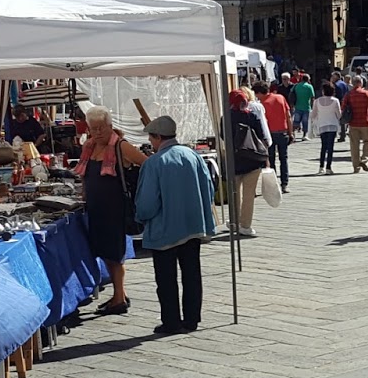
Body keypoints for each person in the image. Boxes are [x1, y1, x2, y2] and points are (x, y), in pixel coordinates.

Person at [133, 116, 216, 335]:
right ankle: (191, 318)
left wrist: (141, 217)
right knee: (192, 273)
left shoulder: (154, 163)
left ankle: (171, 321)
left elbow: (147, 203)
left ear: (158, 137)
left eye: (151, 138)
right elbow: (209, 188)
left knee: (166, 278)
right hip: (193, 225)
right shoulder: (193, 155)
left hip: (165, 229)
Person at [78, 106, 148, 314]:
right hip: (97, 208)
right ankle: (119, 294)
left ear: (110, 126)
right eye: (94, 128)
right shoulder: (89, 146)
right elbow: (85, 175)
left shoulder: (121, 146)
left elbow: (146, 164)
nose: (98, 132)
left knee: (115, 254)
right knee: (106, 253)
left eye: (102, 128)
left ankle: (119, 299)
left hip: (115, 208)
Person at [227, 89, 268, 237]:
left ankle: (234, 222)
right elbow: (261, 137)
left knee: (234, 194)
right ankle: (245, 225)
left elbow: (223, 136)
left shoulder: (226, 118)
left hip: (234, 161)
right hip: (253, 160)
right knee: (249, 195)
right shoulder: (252, 116)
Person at [254, 82, 292, 192]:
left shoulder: (261, 104)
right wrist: (291, 132)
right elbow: (288, 116)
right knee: (283, 159)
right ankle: (284, 184)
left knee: (270, 160)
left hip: (269, 135)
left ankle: (273, 185)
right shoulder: (281, 97)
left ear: (260, 93)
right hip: (282, 132)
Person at [343, 79, 368, 172]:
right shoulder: (366, 94)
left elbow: (343, 108)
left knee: (354, 145)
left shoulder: (348, 95)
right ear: (361, 83)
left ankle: (356, 167)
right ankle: (364, 159)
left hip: (353, 123)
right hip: (365, 122)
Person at [312, 82, 344, 175]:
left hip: (322, 125)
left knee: (323, 146)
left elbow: (313, 114)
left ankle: (321, 167)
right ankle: (328, 167)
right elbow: (339, 115)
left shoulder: (317, 101)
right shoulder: (335, 101)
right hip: (333, 125)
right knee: (330, 147)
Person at [290, 74, 315, 140]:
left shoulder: (296, 86)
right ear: (308, 79)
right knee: (305, 122)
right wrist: (313, 107)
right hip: (306, 106)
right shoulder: (309, 87)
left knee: (296, 121)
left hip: (297, 106)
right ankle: (304, 135)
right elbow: (312, 97)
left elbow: (292, 93)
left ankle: (293, 134)